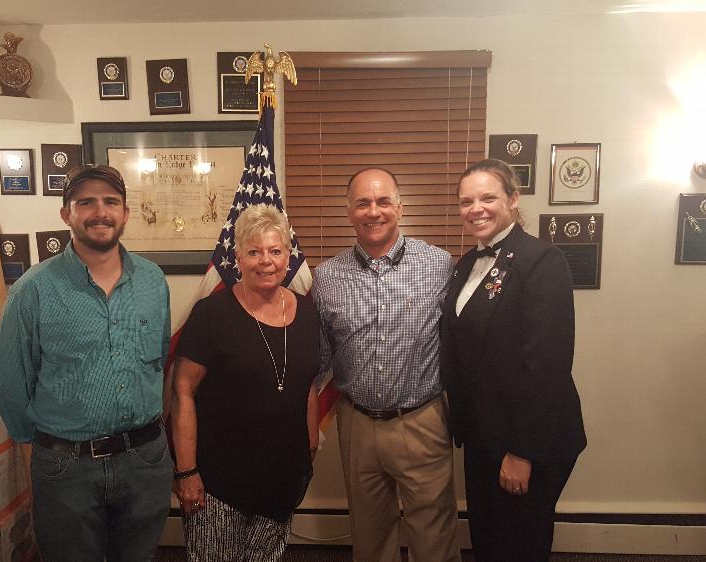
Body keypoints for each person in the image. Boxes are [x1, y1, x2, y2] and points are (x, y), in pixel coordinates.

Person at [0, 164, 173, 562]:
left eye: (111, 201)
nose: (100, 211)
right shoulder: (33, 290)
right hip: (66, 467)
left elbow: (159, 359)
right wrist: (36, 457)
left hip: (144, 460)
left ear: (126, 212)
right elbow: (9, 382)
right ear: (66, 214)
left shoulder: (152, 281)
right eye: (85, 202)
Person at [441, 158, 586, 562]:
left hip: (528, 439)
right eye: (466, 201)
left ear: (513, 200)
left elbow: (547, 365)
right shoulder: (468, 263)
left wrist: (523, 452)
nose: (476, 208)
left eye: (488, 197)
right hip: (484, 434)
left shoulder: (542, 260)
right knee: (487, 540)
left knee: (519, 545)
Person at [312, 168, 461, 562]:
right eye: (362, 202)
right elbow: (318, 359)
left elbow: (462, 342)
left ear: (400, 206)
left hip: (422, 420)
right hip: (357, 425)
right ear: (349, 211)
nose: (373, 211)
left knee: (435, 541)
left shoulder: (440, 266)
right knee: (370, 538)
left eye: (382, 201)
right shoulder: (326, 277)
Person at [171, 203, 320, 562]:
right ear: (238, 257)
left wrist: (310, 451)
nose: (265, 261)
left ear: (288, 255)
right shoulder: (212, 313)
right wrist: (186, 471)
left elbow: (307, 385)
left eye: (274, 250)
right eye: (253, 252)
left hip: (282, 475)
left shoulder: (307, 312)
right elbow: (182, 391)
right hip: (219, 481)